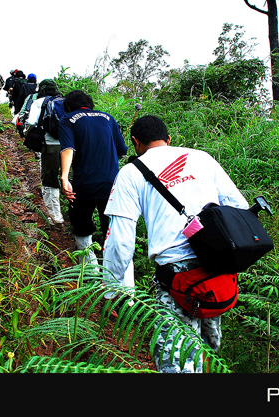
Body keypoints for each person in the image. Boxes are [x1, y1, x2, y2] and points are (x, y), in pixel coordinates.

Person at [102, 115, 249, 373]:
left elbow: (120, 240)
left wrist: (111, 288)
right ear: (169, 140)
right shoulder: (202, 158)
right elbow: (239, 207)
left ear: (136, 143)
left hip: (177, 279)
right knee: (207, 350)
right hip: (217, 268)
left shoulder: (130, 173)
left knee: (177, 361)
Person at [58, 90, 128, 266]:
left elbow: (68, 148)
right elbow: (122, 151)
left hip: (84, 184)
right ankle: (113, 272)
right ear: (89, 104)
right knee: (110, 228)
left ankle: (90, 270)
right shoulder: (108, 118)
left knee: (81, 225)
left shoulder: (67, 119)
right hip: (111, 183)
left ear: (68, 106)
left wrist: (64, 177)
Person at [25, 78, 65, 224]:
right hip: (69, 146)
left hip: (50, 145)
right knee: (70, 178)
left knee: (49, 180)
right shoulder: (65, 101)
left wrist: (26, 132)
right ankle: (73, 214)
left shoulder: (39, 102)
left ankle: (56, 217)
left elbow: (31, 122)